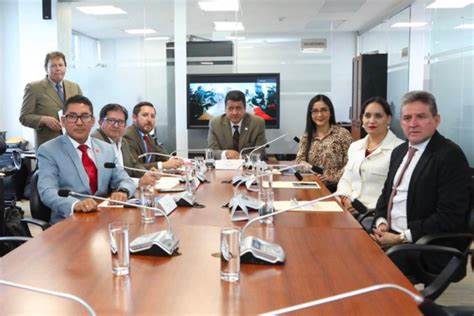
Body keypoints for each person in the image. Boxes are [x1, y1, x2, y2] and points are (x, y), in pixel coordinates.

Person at [371, 90, 470, 277]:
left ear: (437, 119)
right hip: (392, 237)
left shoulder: (449, 155)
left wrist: (401, 237)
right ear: (401, 122)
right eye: (407, 118)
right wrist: (382, 221)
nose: (413, 124)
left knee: (368, 269)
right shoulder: (399, 151)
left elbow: (449, 217)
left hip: (426, 245)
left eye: (421, 117)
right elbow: (386, 195)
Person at [37, 95, 136, 224]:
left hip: (104, 218)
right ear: (63, 121)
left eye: (85, 116)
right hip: (70, 221)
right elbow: (47, 191)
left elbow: (124, 179)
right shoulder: (49, 150)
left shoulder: (107, 149)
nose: (79, 122)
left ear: (93, 120)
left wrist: (123, 191)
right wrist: (75, 204)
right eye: (72, 117)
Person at [337, 97, 403, 214]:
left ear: (388, 119)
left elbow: (398, 193)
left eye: (378, 116)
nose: (372, 120)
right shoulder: (355, 146)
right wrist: (345, 199)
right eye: (367, 116)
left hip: (375, 215)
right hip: (348, 209)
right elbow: (346, 179)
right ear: (362, 119)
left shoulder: (400, 149)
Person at [20, 51, 82, 148]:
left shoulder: (74, 87)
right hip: (48, 146)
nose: (57, 69)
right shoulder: (34, 88)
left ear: (65, 67)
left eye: (60, 65)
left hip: (73, 144)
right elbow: (24, 117)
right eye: (53, 66)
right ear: (46, 69)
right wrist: (43, 119)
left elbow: (83, 112)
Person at [295, 94, 352, 191]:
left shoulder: (343, 134)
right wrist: (311, 169)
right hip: (312, 186)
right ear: (311, 114)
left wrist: (331, 178)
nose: (319, 115)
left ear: (331, 112)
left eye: (324, 110)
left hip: (337, 188)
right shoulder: (306, 136)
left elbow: (351, 164)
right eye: (315, 111)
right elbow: (299, 160)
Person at [91, 103, 158, 184]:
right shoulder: (95, 142)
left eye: (120, 122)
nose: (116, 125)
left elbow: (133, 165)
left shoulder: (122, 141)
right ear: (101, 122)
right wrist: (139, 181)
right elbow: (108, 179)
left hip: (127, 189)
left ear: (125, 125)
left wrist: (147, 173)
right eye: (111, 121)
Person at [207, 90, 267, 159]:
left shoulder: (258, 123)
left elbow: (260, 152)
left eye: (238, 108)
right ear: (225, 109)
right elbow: (212, 151)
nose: (234, 112)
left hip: (248, 167)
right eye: (230, 108)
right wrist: (225, 154)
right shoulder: (215, 123)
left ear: (245, 109)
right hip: (224, 166)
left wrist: (240, 157)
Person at [124, 101, 183, 170]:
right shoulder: (128, 136)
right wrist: (162, 165)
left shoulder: (148, 137)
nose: (149, 120)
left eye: (152, 116)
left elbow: (161, 154)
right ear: (134, 118)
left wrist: (174, 160)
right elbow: (133, 168)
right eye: (145, 115)